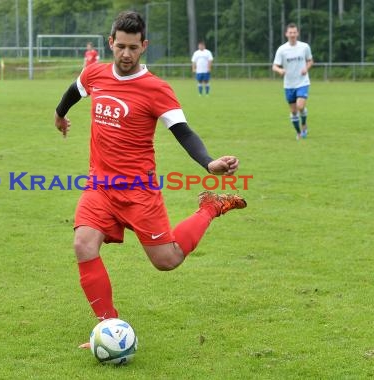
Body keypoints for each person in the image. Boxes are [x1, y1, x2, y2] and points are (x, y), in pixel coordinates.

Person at [54, 11, 247, 347]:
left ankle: (210, 208)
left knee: (167, 260)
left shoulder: (156, 88)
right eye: (121, 46)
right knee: (83, 245)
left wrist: (208, 163)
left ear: (144, 46)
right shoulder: (95, 73)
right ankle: (109, 327)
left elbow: (183, 132)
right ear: (111, 43)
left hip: (139, 192)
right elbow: (75, 89)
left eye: (133, 47)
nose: (126, 54)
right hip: (99, 186)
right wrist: (60, 115)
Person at [272, 23, 314, 139]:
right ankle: (299, 133)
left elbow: (310, 61)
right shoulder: (282, 49)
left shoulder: (304, 47)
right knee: (294, 111)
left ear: (298, 33)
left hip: (302, 82)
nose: (292, 35)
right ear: (286, 34)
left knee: (300, 106)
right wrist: (280, 71)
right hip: (289, 84)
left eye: (294, 32)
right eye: (290, 33)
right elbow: (274, 66)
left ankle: (304, 124)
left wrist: (306, 68)